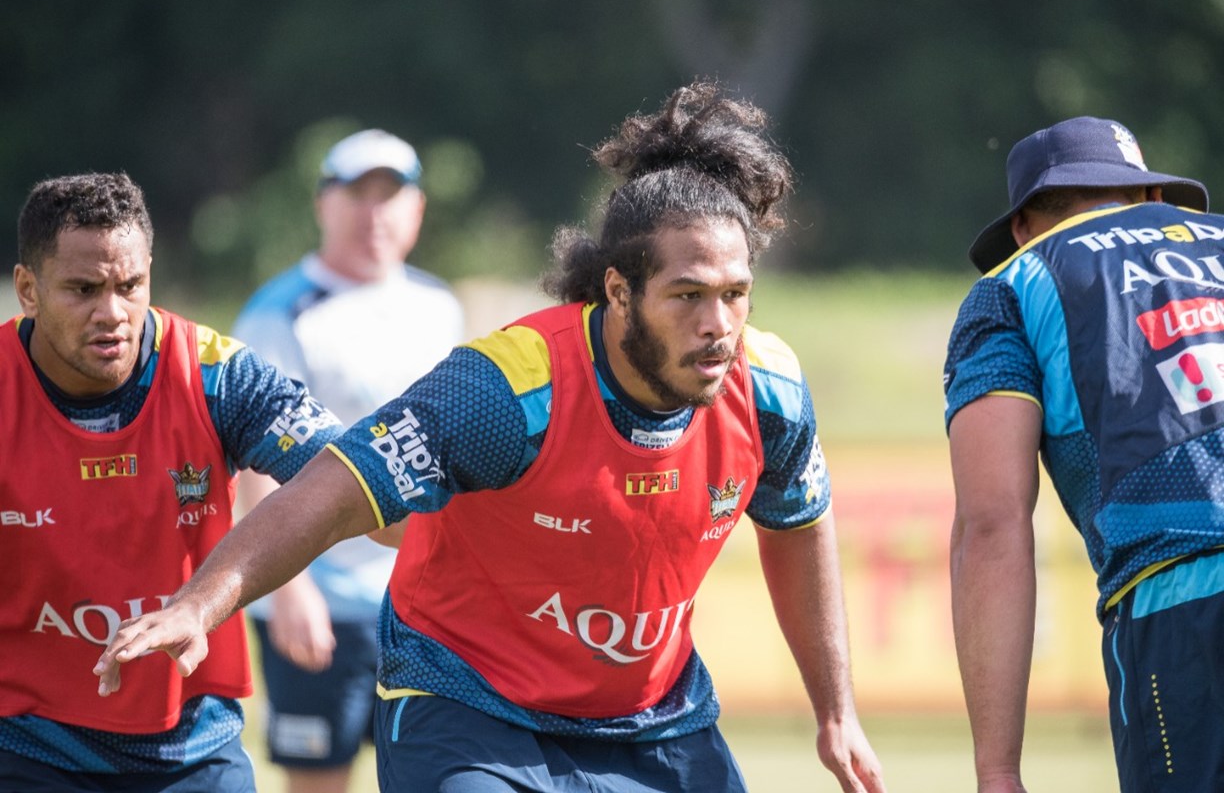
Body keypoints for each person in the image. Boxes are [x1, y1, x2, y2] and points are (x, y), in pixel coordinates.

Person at [96, 82, 887, 793]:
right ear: (619, 293)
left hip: (654, 721)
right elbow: (335, 489)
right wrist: (200, 604)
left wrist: (836, 712)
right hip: (473, 710)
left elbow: (798, 525)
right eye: (687, 296)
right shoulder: (510, 389)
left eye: (735, 294)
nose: (718, 325)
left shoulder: (770, 390)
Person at [0, 172, 348, 792]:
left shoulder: (218, 376)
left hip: (193, 749)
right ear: (28, 289)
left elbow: (352, 481)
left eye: (129, 286)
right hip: (25, 746)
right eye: (83, 289)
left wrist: (202, 604)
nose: (112, 313)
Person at [943, 116, 1224, 793]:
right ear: (1153, 196)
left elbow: (993, 524)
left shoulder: (1011, 287)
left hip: (1182, 602)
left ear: (1022, 226)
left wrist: (998, 769)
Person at [231, 128, 464, 793]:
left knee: (434, 774)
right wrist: (289, 588)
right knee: (319, 779)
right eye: (357, 194)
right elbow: (254, 460)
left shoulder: (438, 307)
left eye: (390, 195)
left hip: (421, 601)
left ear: (417, 209)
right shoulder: (281, 314)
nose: (374, 213)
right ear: (322, 204)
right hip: (321, 600)